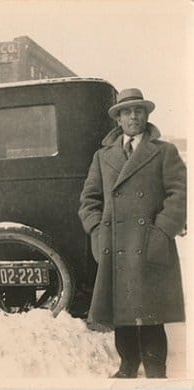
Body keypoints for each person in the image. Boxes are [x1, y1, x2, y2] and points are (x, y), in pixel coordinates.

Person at [78, 88, 186, 378]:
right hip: (115, 245)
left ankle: (155, 372)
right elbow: (89, 201)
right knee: (122, 313)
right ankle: (126, 368)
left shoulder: (165, 152)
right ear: (119, 119)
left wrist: (161, 231)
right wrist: (98, 232)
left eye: (138, 110)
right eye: (127, 112)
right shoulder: (103, 157)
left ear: (146, 115)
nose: (133, 116)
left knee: (151, 315)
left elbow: (179, 195)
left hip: (150, 243)